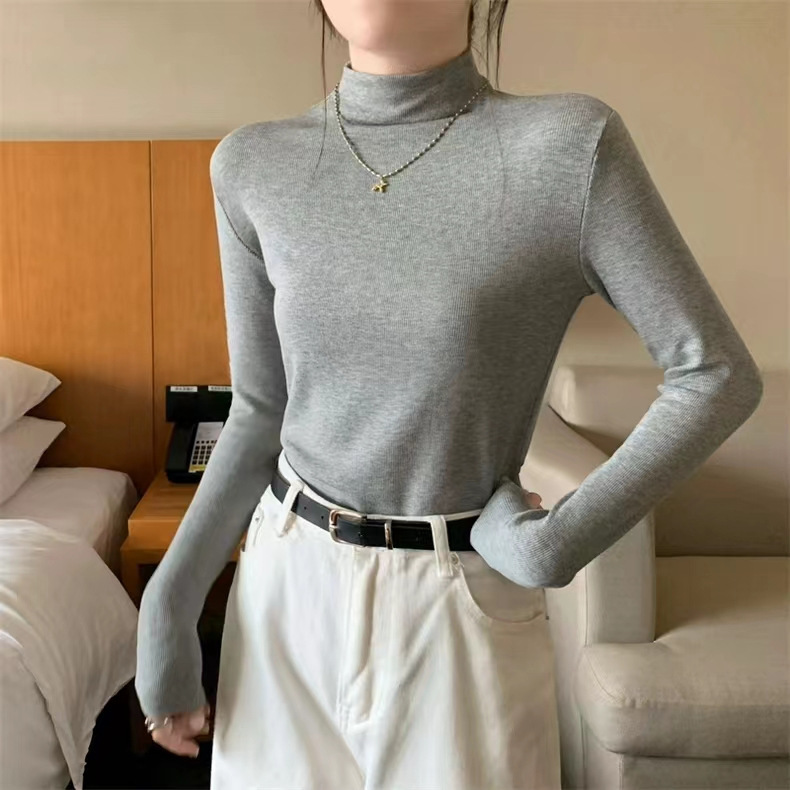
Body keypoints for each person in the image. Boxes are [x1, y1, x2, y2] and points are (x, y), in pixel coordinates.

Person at [134, 1, 764, 788]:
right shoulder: (253, 165)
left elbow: (717, 374)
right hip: (284, 590)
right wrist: (168, 604)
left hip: (457, 604)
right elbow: (262, 409)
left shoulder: (568, 149)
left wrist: (555, 543)